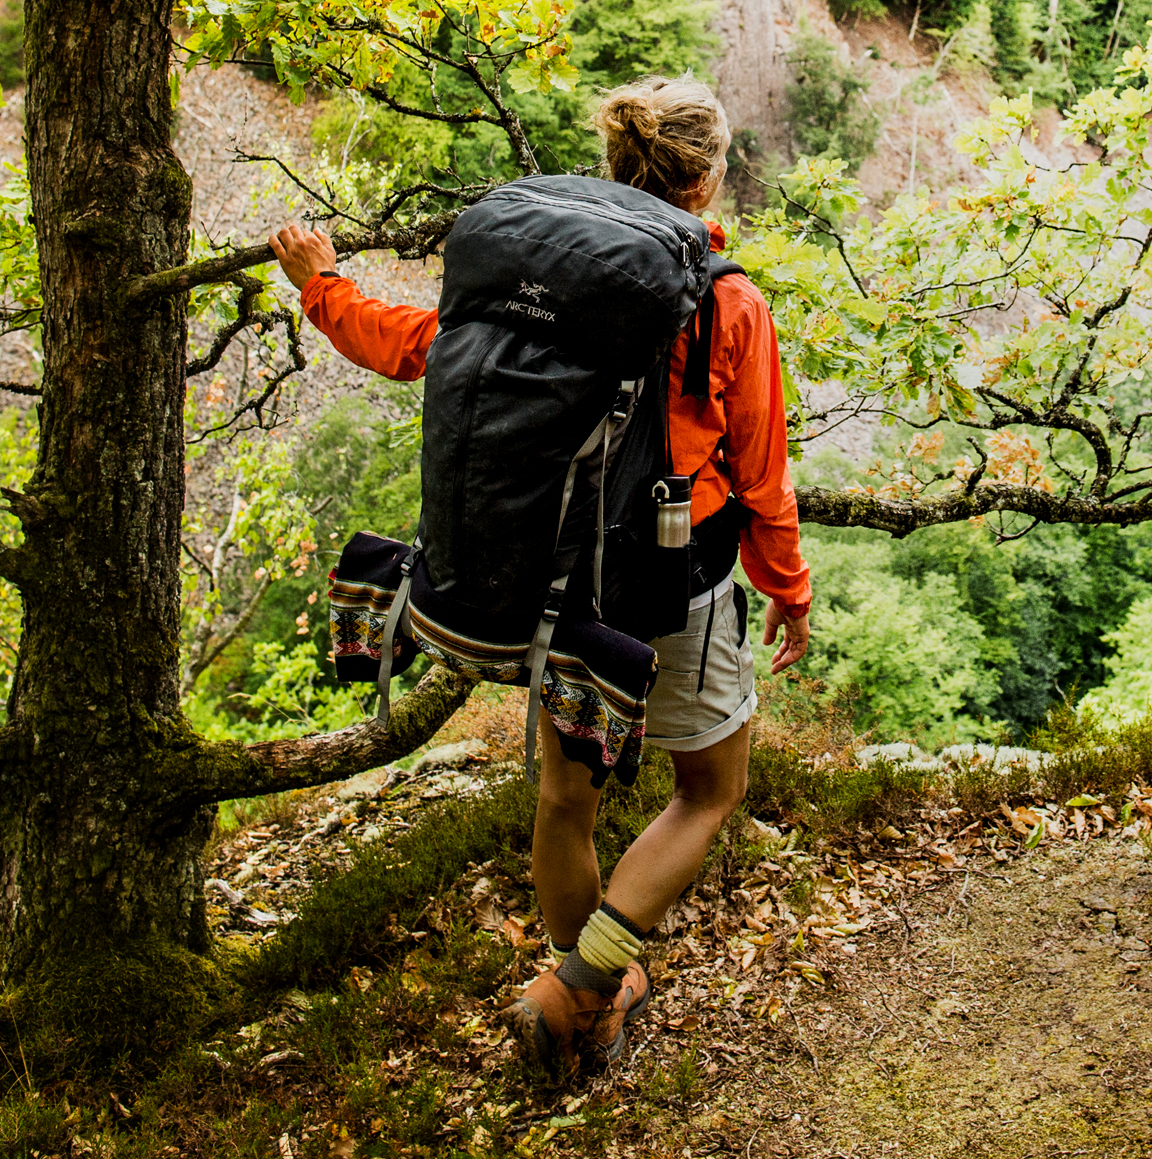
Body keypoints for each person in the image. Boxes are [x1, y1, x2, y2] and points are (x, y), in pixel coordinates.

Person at [268, 75, 812, 1076]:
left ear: (617, 171)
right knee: (709, 788)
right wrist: (788, 586)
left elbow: (410, 345)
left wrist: (321, 282)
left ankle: (588, 1008)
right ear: (707, 184)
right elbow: (761, 472)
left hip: (561, 589)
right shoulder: (725, 300)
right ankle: (580, 983)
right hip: (669, 587)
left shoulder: (544, 290)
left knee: (567, 800)